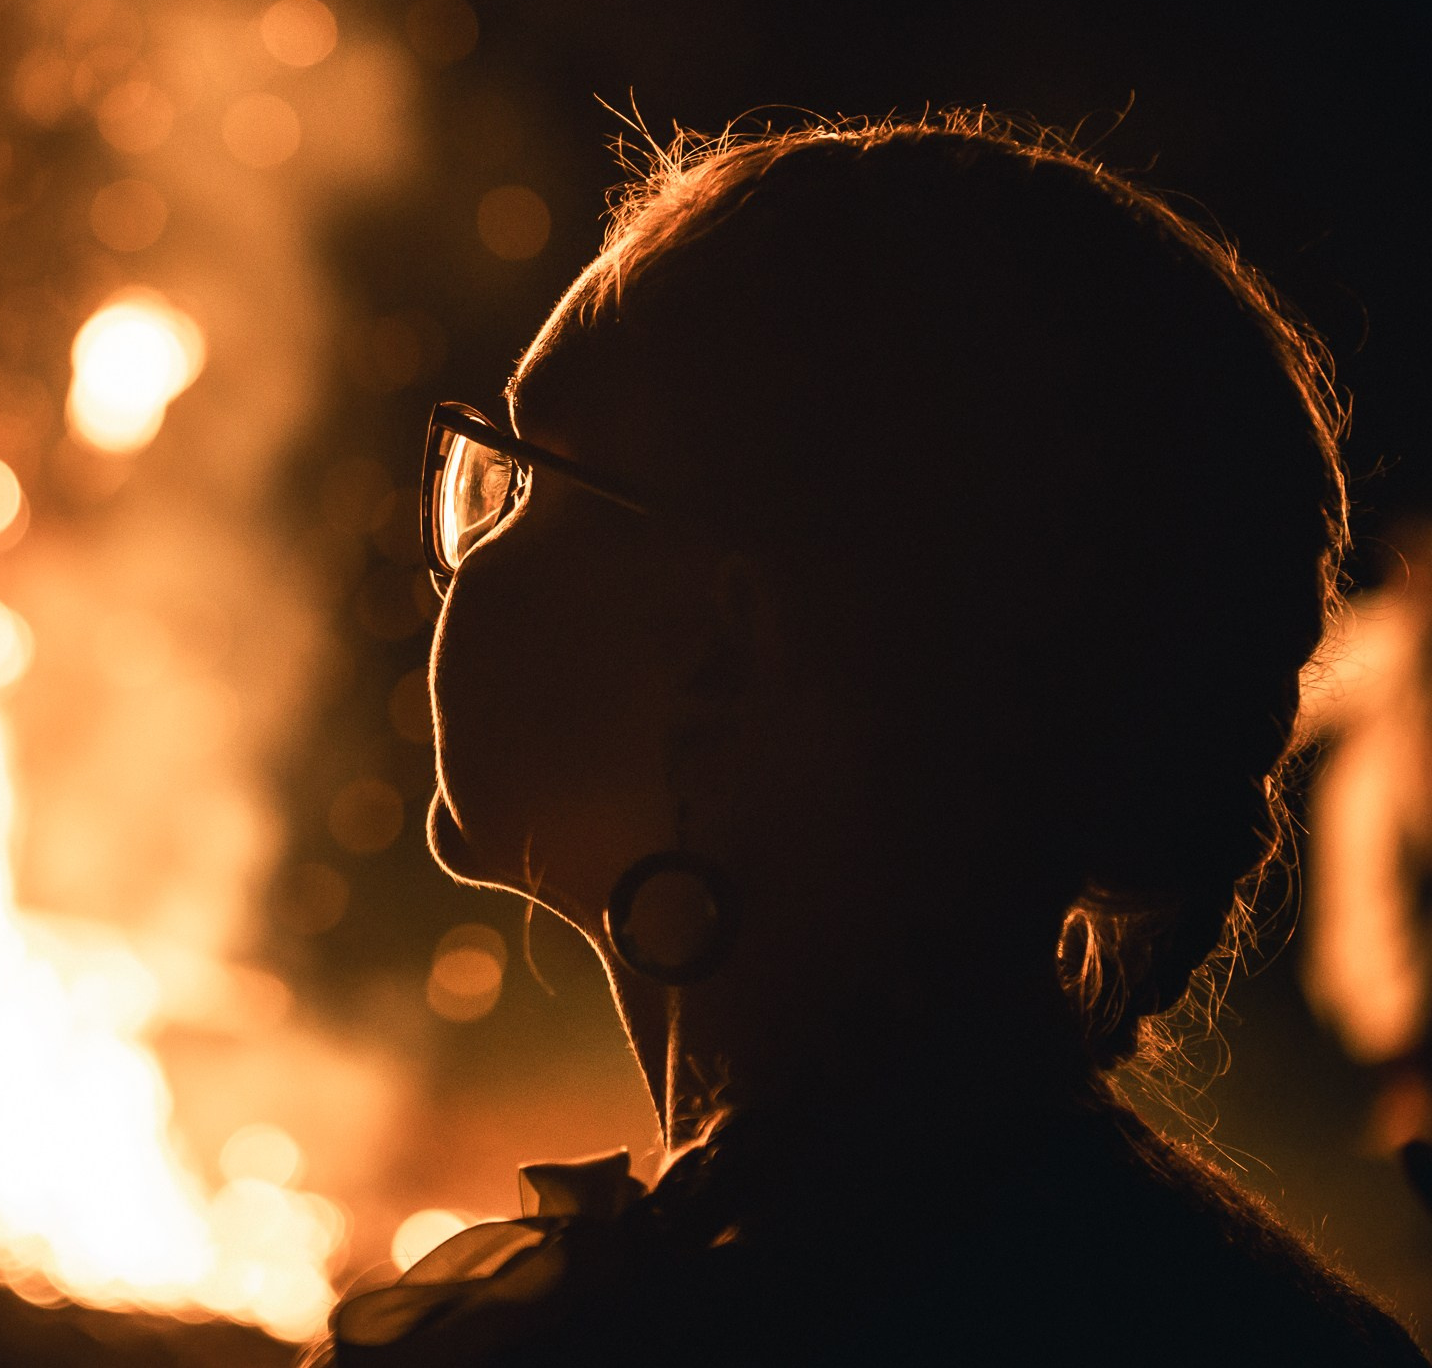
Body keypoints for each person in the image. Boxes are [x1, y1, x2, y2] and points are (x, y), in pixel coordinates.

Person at [314, 119, 1428, 1364]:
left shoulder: (696, 1328)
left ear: (725, 650)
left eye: (523, 475)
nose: (459, 552)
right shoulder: (1232, 1312)